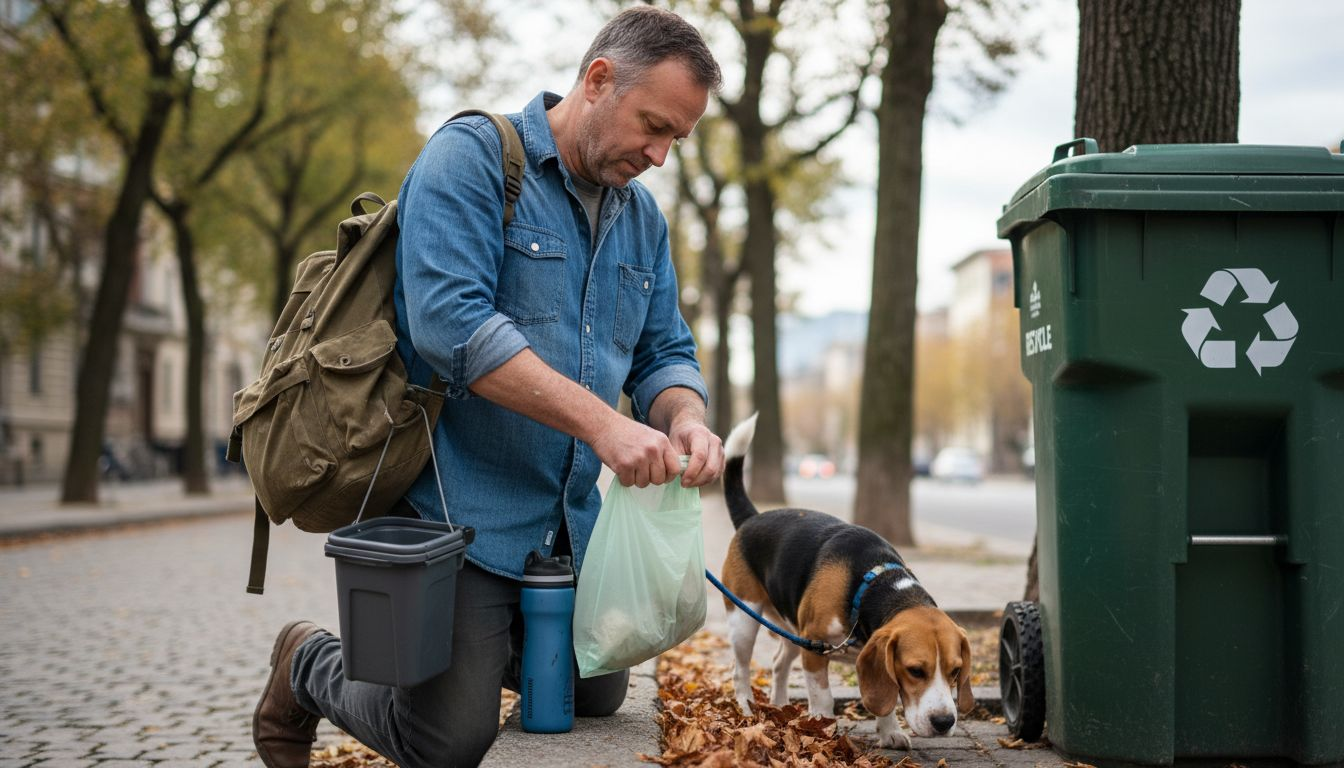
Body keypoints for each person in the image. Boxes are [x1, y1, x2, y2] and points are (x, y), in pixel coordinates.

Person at [252, 7, 725, 767]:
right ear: (598, 80)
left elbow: (663, 351)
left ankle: (485, 647)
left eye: (678, 137)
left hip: (568, 526)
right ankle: (307, 662)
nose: (662, 154)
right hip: (456, 516)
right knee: (445, 742)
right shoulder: (470, 157)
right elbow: (452, 324)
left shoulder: (642, 220)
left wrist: (687, 419)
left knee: (595, 689)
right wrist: (604, 426)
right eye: (654, 125)